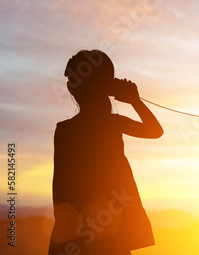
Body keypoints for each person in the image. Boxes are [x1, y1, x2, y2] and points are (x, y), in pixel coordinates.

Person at [48, 50, 163, 255]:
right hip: (114, 233)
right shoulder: (112, 124)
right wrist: (134, 100)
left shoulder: (64, 131)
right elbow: (155, 131)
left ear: (74, 89)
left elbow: (60, 189)